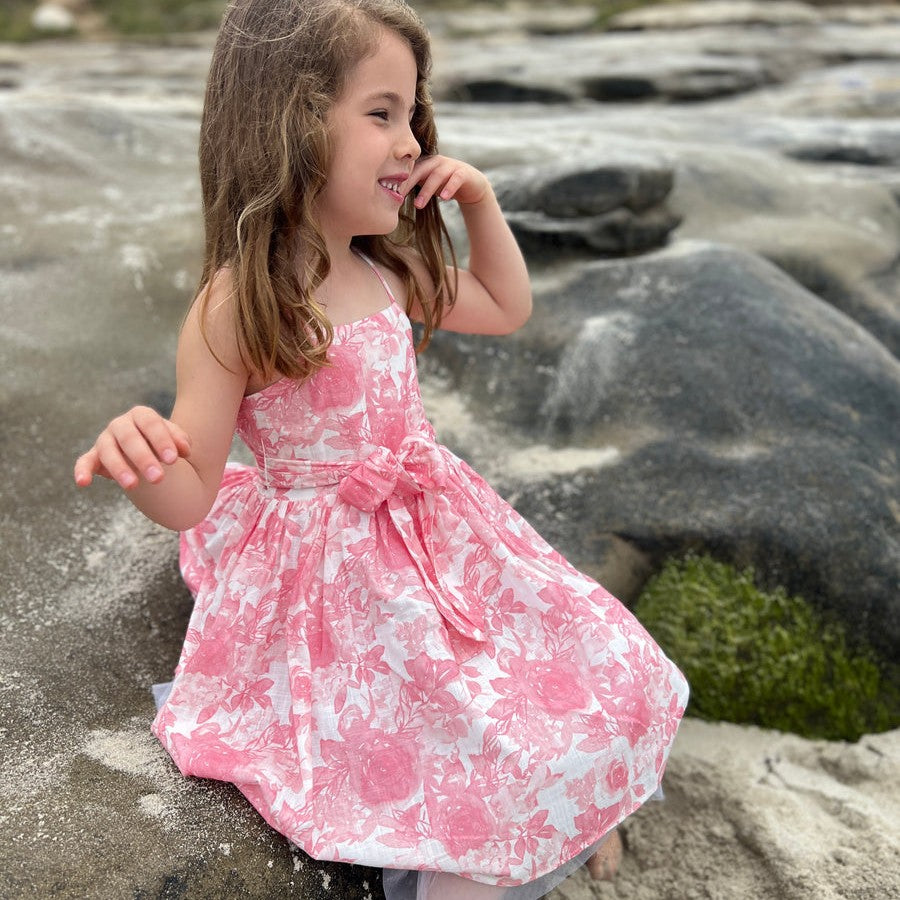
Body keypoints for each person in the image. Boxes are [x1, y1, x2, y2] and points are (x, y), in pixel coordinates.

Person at [74, 1, 689, 897]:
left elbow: (505, 306)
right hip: (339, 576)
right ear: (289, 119)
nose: (410, 141)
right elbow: (193, 493)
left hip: (435, 528)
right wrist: (142, 459)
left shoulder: (386, 265)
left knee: (585, 666)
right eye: (380, 113)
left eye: (412, 114)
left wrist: (480, 202)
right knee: (451, 743)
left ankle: (586, 812)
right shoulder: (238, 303)